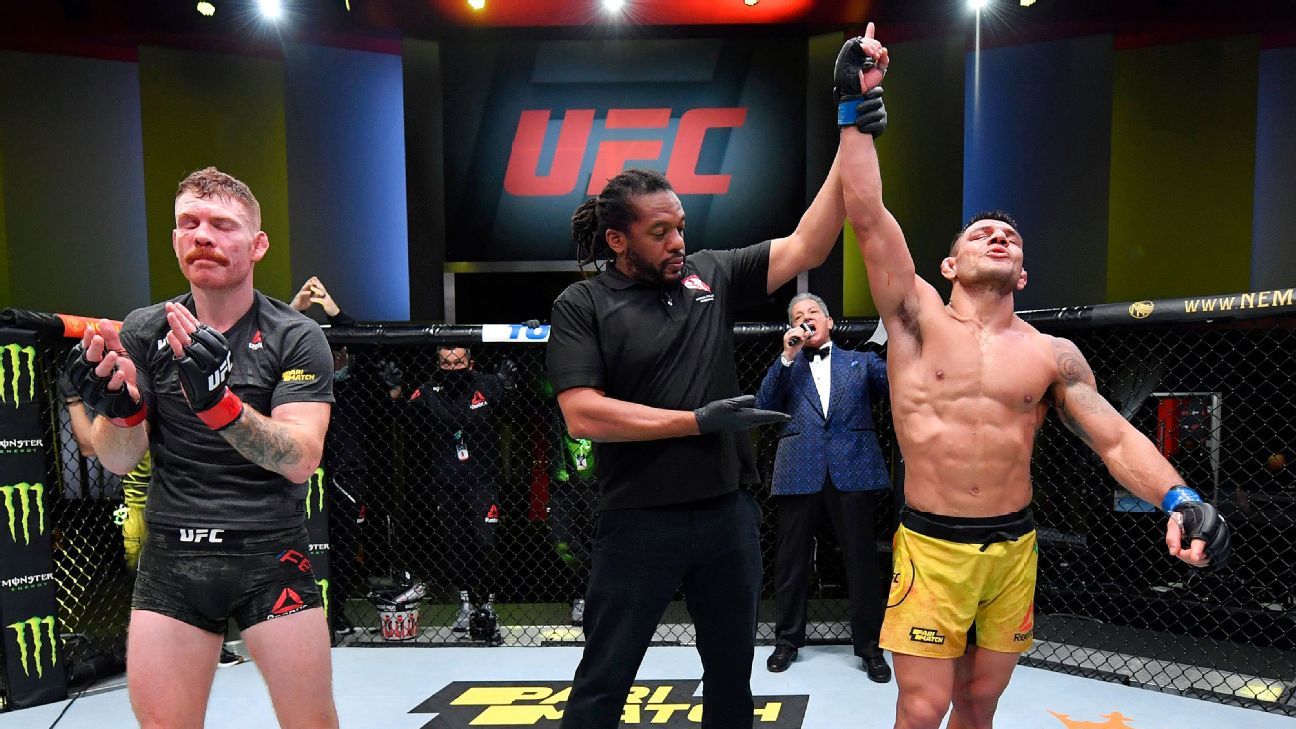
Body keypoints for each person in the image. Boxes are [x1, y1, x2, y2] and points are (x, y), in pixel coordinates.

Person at [836, 25, 1231, 729]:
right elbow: (866, 217)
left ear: (1022, 274)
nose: (998, 235)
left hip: (1014, 548)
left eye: (1010, 237)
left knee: (979, 703)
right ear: (949, 265)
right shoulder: (915, 318)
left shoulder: (1053, 354)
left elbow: (1114, 438)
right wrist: (853, 109)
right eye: (979, 233)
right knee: (922, 707)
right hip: (930, 546)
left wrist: (1181, 497)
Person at [546, 147, 873, 725]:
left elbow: (808, 245)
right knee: (604, 677)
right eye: (659, 232)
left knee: (730, 674)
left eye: (681, 227)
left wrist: (850, 134)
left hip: (727, 512)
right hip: (639, 517)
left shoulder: (710, 273)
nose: (677, 242)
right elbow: (583, 414)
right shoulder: (584, 303)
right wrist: (695, 421)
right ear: (617, 240)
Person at [67, 167, 338, 728]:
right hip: (174, 556)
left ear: (257, 244)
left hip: (270, 553)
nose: (203, 235)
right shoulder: (145, 330)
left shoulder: (293, 334)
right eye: (189, 223)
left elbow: (301, 458)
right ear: (174, 240)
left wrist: (220, 404)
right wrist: (121, 412)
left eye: (222, 224)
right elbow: (117, 457)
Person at [755, 292, 892, 682]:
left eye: (813, 311)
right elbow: (763, 403)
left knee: (861, 562)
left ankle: (870, 647)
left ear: (829, 321)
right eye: (798, 315)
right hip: (799, 470)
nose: (806, 317)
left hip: (853, 467)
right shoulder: (788, 366)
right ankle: (787, 641)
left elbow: (895, 385)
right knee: (790, 561)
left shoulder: (861, 362)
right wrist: (787, 356)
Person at [384, 345, 518, 633]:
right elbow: (404, 418)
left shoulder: (487, 384)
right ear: (438, 365)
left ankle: (487, 605)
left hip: (482, 478)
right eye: (446, 364)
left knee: (485, 541)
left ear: (471, 363)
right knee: (455, 543)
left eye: (458, 363)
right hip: (446, 480)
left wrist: (508, 388)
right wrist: (395, 392)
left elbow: (511, 413)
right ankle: (465, 604)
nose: (453, 369)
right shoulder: (429, 390)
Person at [290, 275, 369, 640]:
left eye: (340, 351)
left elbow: (363, 343)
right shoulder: (301, 380)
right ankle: (301, 615)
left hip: (346, 473)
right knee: (296, 545)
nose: (336, 357)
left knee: (344, 546)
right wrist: (297, 309)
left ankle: (334, 612)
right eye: (329, 352)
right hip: (303, 471)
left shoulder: (357, 382)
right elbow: (274, 340)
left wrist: (334, 311)